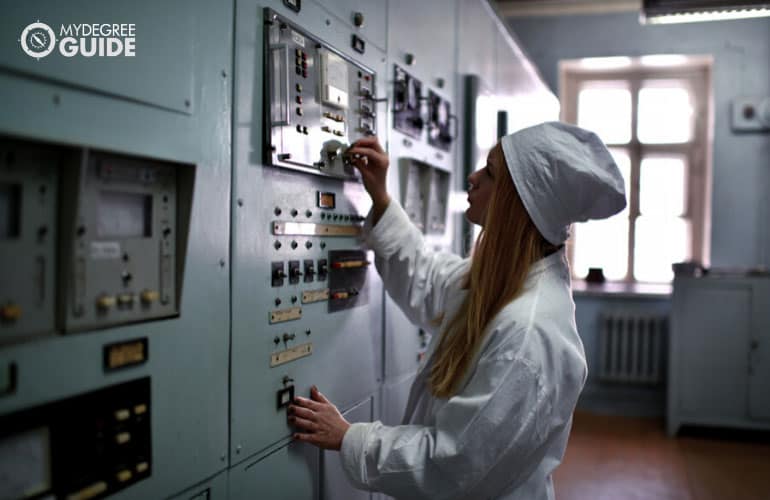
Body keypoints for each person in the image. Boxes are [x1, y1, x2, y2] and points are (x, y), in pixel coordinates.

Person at [288, 121, 626, 499]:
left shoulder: (529, 335)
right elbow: (431, 282)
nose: (473, 177)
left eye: (491, 173)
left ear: (518, 203)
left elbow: (456, 463)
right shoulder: (503, 281)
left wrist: (349, 438)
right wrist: (381, 198)